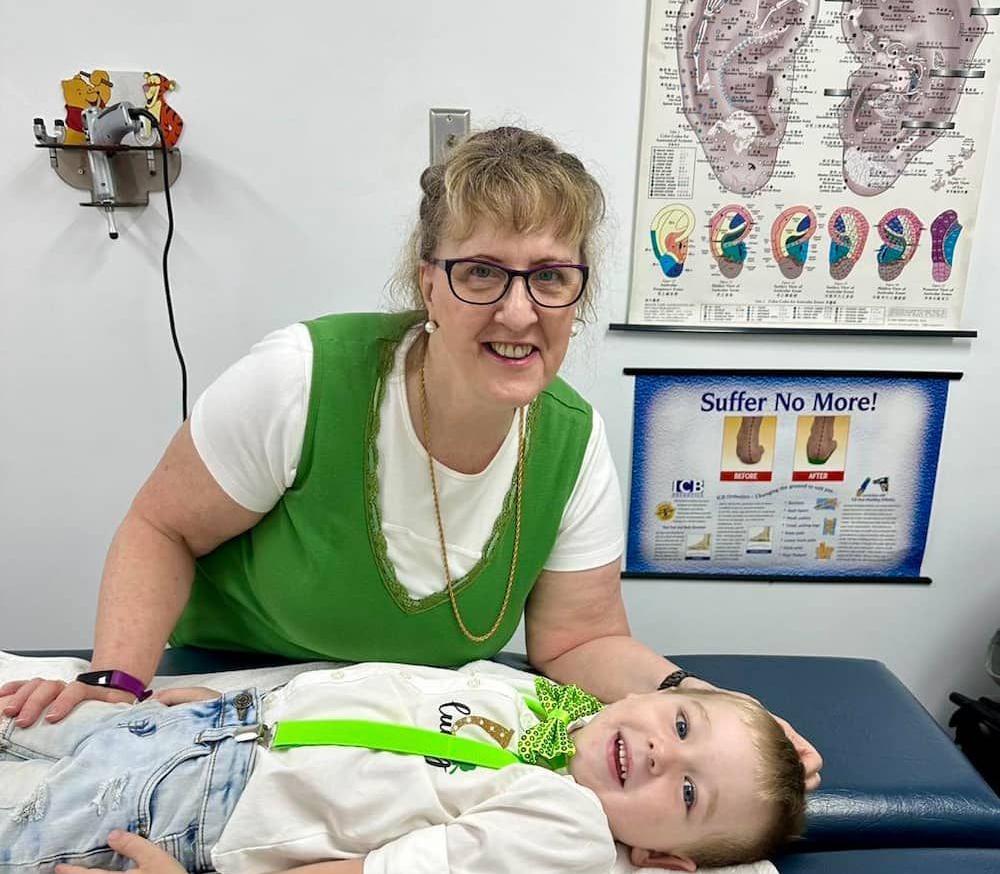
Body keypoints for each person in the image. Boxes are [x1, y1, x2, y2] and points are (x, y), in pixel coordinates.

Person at [2, 125, 821, 789]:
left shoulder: (573, 442)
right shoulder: (303, 377)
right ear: (426, 284)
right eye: (480, 273)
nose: (517, 310)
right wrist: (116, 687)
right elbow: (161, 527)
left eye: (550, 278)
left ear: (579, 293)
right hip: (228, 688)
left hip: (401, 726)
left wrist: (704, 702)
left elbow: (577, 641)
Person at [1, 661, 806, 874]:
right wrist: (228, 703)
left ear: (664, 854)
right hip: (223, 720)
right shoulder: (535, 698)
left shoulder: (568, 832)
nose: (665, 751)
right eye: (681, 720)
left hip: (195, 806)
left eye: (690, 790)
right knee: (29, 713)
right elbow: (375, 694)